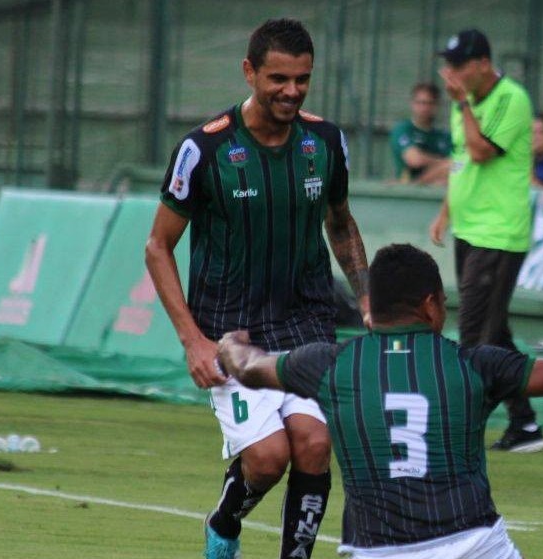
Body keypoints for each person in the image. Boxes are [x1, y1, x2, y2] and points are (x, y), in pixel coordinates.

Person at [216, 243, 543, 558]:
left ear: (372, 309)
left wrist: (228, 345)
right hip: (473, 546)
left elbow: (252, 368)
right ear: (432, 305)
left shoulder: (327, 364)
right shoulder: (475, 365)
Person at [144, 19, 371, 559]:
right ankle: (224, 523)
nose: (292, 91)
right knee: (269, 458)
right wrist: (193, 341)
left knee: (314, 445)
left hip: (307, 323)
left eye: (302, 79)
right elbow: (157, 247)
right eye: (278, 78)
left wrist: (366, 296)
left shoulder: (326, 142)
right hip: (232, 331)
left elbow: (340, 222)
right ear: (249, 72)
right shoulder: (204, 150)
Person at [427, 29, 543, 453]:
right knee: (495, 333)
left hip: (499, 232)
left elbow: (480, 152)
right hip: (471, 228)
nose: (452, 73)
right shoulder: (469, 104)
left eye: (459, 65)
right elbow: (461, 162)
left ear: (482, 64)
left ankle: (460, 430)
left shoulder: (511, 99)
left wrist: (461, 104)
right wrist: (446, 211)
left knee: (476, 335)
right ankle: (525, 423)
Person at [389, 82, 452, 186]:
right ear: (412, 104)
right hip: (408, 192)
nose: (424, 108)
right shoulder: (403, 129)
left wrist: (446, 164)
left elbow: (458, 165)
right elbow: (414, 160)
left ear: (437, 106)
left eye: (429, 103)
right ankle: (417, 183)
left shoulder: (444, 136)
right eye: (420, 103)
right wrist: (443, 162)